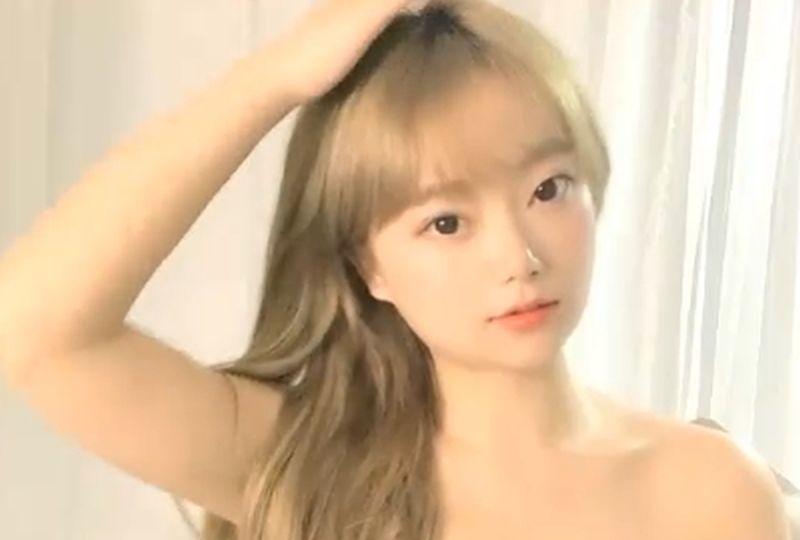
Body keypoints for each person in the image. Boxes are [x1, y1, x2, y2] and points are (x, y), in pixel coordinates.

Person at [0, 0, 791, 539]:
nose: (520, 259)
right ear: (365, 265)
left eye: (549, 189)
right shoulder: (310, 470)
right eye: (446, 221)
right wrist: (277, 77)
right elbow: (35, 330)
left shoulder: (711, 490)